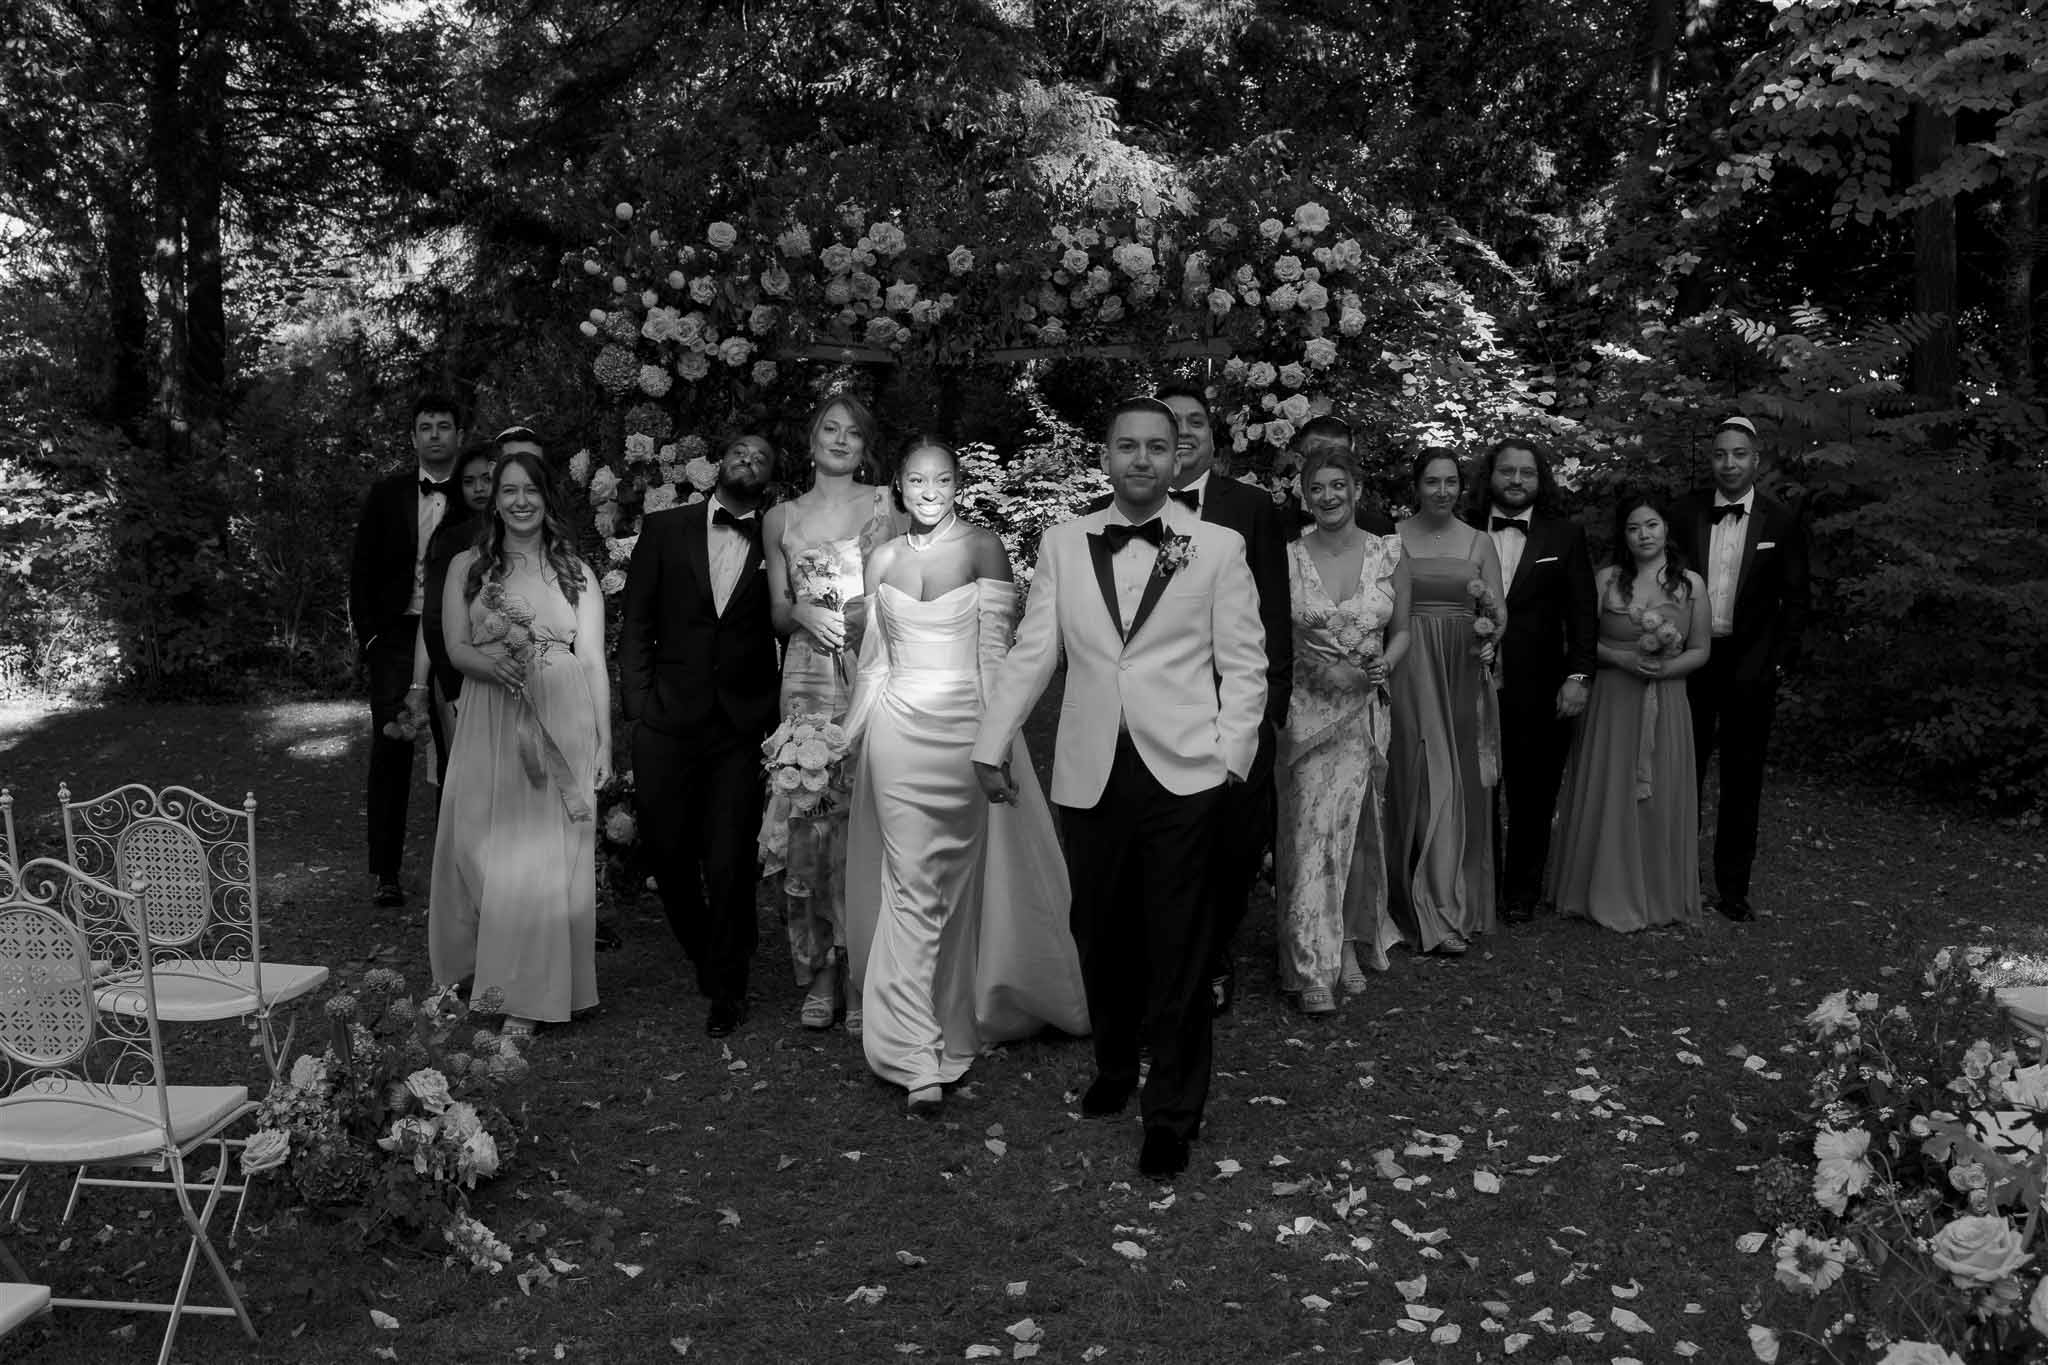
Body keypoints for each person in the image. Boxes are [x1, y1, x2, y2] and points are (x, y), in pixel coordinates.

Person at [972, 397, 1266, 1181]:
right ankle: (1112, 1065)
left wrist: (1230, 759)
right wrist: (990, 738)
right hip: (1091, 772)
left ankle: (1171, 1112)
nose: (1142, 460)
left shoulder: (1219, 546)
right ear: (1105, 455)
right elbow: (1035, 651)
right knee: (1100, 933)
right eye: (1127, 446)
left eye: (1157, 448)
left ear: (1179, 458)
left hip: (1186, 775)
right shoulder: (1065, 544)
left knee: (1179, 944)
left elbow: (1245, 665)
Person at [843, 438, 1089, 1115]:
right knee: (911, 880)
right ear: (898, 483)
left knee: (953, 883)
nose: (929, 490)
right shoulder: (882, 558)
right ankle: (912, 1050)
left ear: (958, 484)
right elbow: (873, 665)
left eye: (942, 479)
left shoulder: (984, 546)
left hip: (963, 732)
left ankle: (955, 1016)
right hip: (897, 731)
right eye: (916, 478)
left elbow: (995, 658)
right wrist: (845, 736)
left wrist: (996, 740)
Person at [429, 448, 609, 1036]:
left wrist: (604, 742)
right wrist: (487, 666)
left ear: (546, 497)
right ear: (493, 499)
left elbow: (593, 661)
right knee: (478, 841)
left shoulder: (575, 572)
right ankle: (490, 965)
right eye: (508, 490)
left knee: (541, 859)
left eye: (530, 489)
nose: (520, 500)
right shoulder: (467, 566)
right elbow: (453, 648)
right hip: (490, 712)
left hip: (561, 716)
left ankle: (530, 996)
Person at [619, 433, 779, 1037]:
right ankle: (707, 951)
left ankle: (729, 986)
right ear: (720, 463)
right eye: (742, 452)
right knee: (667, 853)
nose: (750, 461)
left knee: (730, 859)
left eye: (762, 459)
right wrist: (637, 707)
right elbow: (635, 620)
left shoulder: (776, 538)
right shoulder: (665, 529)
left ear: (768, 478)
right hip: (666, 721)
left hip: (739, 724)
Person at [759, 393, 903, 1030]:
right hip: (805, 677)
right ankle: (819, 968)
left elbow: (907, 594)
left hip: (870, 668)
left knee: (867, 814)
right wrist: (801, 614)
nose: (840, 440)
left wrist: (862, 614)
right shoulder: (780, 517)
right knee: (810, 818)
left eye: (852, 432)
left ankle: (865, 968)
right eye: (829, 428)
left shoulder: (886, 507)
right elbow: (775, 610)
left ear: (865, 445)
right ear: (811, 438)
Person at [1156, 382, 1291, 1018]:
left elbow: (1274, 611)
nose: (1183, 433)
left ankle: (1216, 950)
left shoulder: (1253, 508)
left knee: (1236, 841)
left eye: (1195, 423)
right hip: (1158, 708)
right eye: (1170, 423)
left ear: (1214, 438)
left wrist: (1272, 708)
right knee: (1167, 837)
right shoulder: (1117, 511)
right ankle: (1172, 954)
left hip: (1235, 703)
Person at [1274, 443, 1409, 1014]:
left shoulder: (1389, 553)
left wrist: (1383, 665)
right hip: (1307, 714)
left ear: (1357, 490)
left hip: (1364, 716)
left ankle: (1349, 945)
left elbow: (1403, 631)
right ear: (1305, 496)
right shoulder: (1284, 558)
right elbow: (1272, 638)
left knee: (1355, 833)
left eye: (1338, 485)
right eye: (1317, 488)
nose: (1328, 497)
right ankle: (1311, 964)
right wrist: (1315, 667)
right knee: (1309, 835)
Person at [1548, 492, 1710, 931]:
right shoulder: (1606, 581)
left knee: (1659, 793)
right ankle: (1599, 887)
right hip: (1613, 699)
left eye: (1652, 525)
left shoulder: (1691, 584)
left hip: (1666, 699)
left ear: (1666, 529)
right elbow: (1580, 641)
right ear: (1623, 534)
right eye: (1634, 527)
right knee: (1610, 786)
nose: (1644, 534)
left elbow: (1701, 649)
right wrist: (1620, 660)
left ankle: (1658, 894)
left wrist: (1663, 668)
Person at [1672, 415, 1810, 922]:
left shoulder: (1781, 520)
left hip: (1752, 666)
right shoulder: (1684, 513)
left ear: (1757, 461)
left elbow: (1797, 600)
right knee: (1681, 771)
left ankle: (1733, 889)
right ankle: (1675, 880)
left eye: (1739, 455)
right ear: (1711, 459)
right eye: (1720, 455)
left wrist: (1778, 663)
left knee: (1742, 778)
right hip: (1692, 660)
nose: (1728, 464)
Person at [1471, 437, 1598, 923]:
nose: (1516, 480)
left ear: (1540, 480)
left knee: (1533, 793)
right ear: (1492, 476)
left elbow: (1583, 615)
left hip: (1541, 687)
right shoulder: (1462, 531)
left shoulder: (1564, 536)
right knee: (1479, 790)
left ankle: (1521, 892)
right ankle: (1479, 884)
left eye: (1527, 472)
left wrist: (1580, 676)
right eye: (1507, 471)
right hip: (1470, 681)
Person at [1385, 448, 1505, 955]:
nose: (1442, 490)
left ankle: (1452, 900)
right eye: (1432, 481)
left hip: (1459, 665)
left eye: (1451, 481)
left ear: (1462, 487)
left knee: (1457, 773)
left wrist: (1490, 637)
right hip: (1411, 662)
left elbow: (1498, 610)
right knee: (1420, 770)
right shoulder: (1392, 538)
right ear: (1416, 486)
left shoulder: (1480, 542)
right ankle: (1420, 905)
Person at [350, 393, 466, 908]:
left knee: (458, 749)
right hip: (396, 636)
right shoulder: (387, 494)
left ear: (459, 436)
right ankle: (386, 871)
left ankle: (457, 869)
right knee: (392, 750)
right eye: (426, 426)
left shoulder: (475, 493)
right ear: (413, 437)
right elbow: (362, 570)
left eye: (444, 426)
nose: (435, 434)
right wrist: (372, 639)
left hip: (456, 629)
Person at [398, 438, 506, 771]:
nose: (478, 489)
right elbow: (433, 619)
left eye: (486, 480)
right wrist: (443, 686)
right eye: (469, 481)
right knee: (466, 776)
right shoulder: (450, 540)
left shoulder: (519, 531)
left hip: (512, 674)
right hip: (460, 678)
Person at [1291, 415, 1395, 535]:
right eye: (1318, 458)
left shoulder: (1382, 531)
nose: (1329, 467)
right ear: (1300, 462)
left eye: (1339, 459)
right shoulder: (1271, 524)